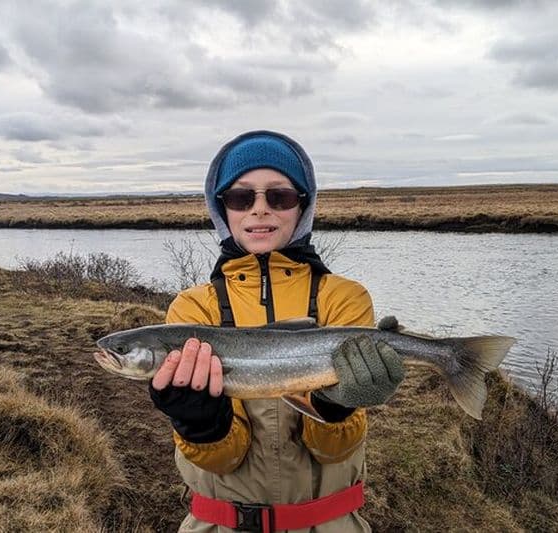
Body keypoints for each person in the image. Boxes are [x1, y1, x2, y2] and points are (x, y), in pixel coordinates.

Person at [149, 130, 405, 532]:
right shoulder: (193, 309)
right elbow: (223, 460)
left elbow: (334, 450)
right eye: (240, 197)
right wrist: (200, 427)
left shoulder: (345, 298)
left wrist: (337, 407)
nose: (259, 210)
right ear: (222, 209)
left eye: (279, 197)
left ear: (303, 206)